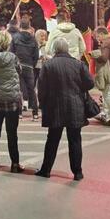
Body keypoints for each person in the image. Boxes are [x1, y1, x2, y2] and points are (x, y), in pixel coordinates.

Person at [35, 35, 94, 180]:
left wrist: (43, 105)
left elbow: (41, 89)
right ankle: (77, 172)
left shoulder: (48, 65)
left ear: (54, 49)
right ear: (67, 49)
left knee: (52, 140)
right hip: (75, 107)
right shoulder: (78, 64)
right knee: (75, 140)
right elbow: (90, 84)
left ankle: (46, 169)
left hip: (55, 108)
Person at [0, 30, 23, 172]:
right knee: (12, 132)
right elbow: (19, 70)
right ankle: (15, 163)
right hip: (11, 99)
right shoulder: (12, 57)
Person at [10, 15, 40, 119]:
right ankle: (35, 112)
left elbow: (11, 52)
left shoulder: (15, 37)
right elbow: (36, 55)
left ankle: (19, 113)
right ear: (29, 26)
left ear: (20, 26)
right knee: (31, 89)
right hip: (29, 66)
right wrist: (32, 64)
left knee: (18, 89)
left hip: (18, 65)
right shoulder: (33, 39)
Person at [92, 26, 110, 126]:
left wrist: (94, 55)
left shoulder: (106, 43)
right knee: (106, 95)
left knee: (108, 95)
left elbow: (104, 58)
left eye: (97, 36)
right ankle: (107, 115)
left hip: (109, 72)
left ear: (102, 34)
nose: (97, 39)